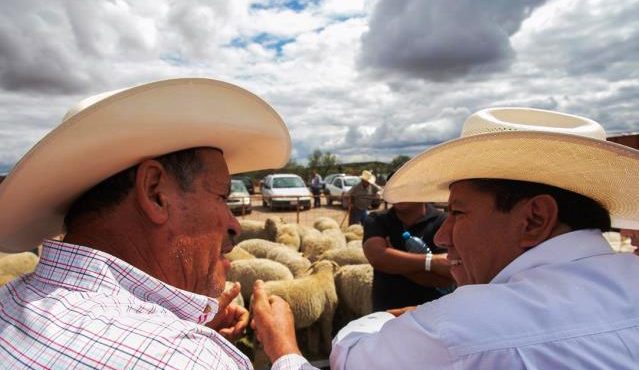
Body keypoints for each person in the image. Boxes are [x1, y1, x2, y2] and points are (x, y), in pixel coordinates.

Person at [0, 78, 317, 369]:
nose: (234, 223)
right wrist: (285, 352)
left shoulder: (8, 301)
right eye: (221, 196)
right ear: (155, 193)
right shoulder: (191, 361)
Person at [328, 107, 639, 369]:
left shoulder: (460, 328)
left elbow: (351, 358)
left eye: (458, 213)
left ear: (534, 219)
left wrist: (287, 345)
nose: (442, 234)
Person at [363, 201, 453, 311]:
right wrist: (431, 262)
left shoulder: (443, 221)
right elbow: (377, 257)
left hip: (431, 315)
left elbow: (446, 277)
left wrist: (392, 261)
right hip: (387, 315)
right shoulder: (378, 219)